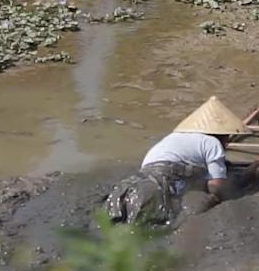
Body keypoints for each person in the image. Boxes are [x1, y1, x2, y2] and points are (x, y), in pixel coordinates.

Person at [104, 96, 249, 225]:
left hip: (139, 179)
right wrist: (235, 186)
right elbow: (216, 186)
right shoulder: (212, 143)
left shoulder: (176, 138)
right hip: (162, 184)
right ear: (223, 135)